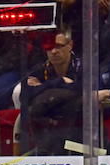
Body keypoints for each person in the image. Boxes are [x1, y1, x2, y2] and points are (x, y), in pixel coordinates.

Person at [20, 26, 83, 155]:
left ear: (70, 45)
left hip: (79, 139)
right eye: (49, 47)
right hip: (47, 140)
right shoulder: (41, 69)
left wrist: (42, 86)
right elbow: (24, 96)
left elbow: (83, 89)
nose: (53, 51)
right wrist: (59, 82)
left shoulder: (83, 67)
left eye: (58, 46)